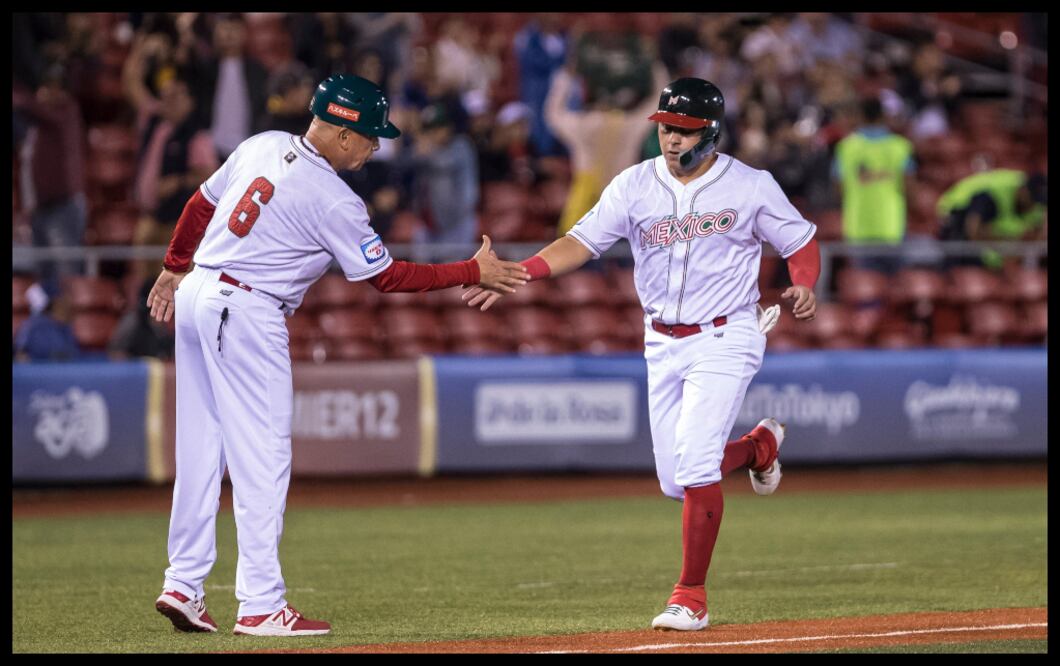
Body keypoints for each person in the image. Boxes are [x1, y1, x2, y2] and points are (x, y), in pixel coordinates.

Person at [147, 74, 528, 636]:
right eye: (371, 136)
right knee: (263, 458)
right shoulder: (332, 198)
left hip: (201, 291)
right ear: (344, 133)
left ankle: (183, 584)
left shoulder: (261, 144)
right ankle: (260, 603)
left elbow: (200, 204)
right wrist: (472, 270)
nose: (375, 146)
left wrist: (174, 265)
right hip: (249, 309)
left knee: (201, 448)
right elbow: (388, 277)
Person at [463, 78, 820, 631]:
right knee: (674, 481)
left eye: (683, 130)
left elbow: (800, 242)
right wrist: (522, 271)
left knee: (697, 464)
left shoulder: (750, 186)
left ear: (710, 132)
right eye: (665, 128)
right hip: (661, 339)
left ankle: (690, 597)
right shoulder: (634, 184)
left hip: (726, 335)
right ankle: (757, 448)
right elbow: (580, 243)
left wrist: (805, 282)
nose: (671, 140)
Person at [832, 97, 915, 273]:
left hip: (858, 227)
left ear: (860, 116)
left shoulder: (846, 147)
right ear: (883, 116)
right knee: (895, 292)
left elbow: (839, 187)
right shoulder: (900, 146)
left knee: (865, 291)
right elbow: (909, 187)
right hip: (892, 226)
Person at [937, 169, 1047, 268]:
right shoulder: (992, 196)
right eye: (1032, 199)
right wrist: (1006, 246)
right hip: (958, 210)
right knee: (962, 256)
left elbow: (1036, 237)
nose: (1034, 205)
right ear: (1023, 190)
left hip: (993, 237)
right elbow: (973, 230)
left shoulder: (1037, 205)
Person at [14, 283, 82, 362]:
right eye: (62, 300)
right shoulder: (33, 327)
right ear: (52, 304)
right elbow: (21, 355)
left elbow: (74, 356)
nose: (69, 303)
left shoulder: (66, 328)